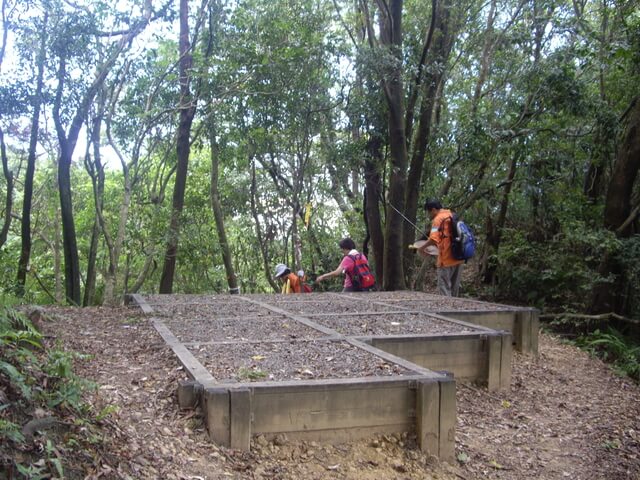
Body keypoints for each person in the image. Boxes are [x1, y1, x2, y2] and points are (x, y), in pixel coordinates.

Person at [418, 199, 464, 297]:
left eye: (428, 212)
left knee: (444, 290)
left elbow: (433, 239)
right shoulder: (451, 215)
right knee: (454, 291)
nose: (427, 215)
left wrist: (421, 248)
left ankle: (446, 311)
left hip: (446, 260)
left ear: (433, 210)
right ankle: (455, 311)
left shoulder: (437, 220)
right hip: (458, 258)